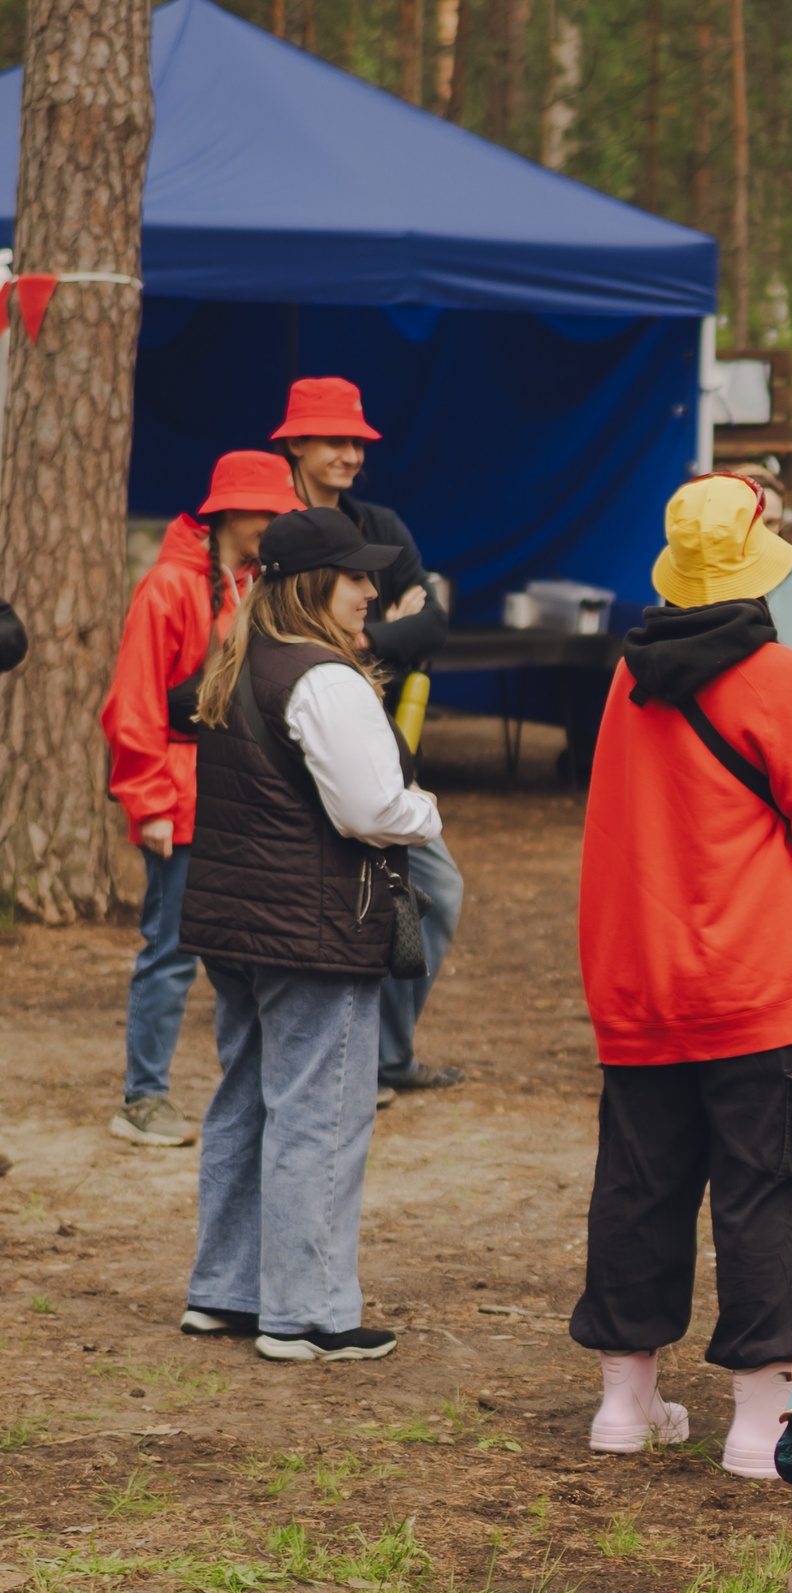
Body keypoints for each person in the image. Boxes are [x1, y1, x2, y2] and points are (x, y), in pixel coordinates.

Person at [569, 474, 792, 1477]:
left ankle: (624, 1402)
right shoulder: (785, 681)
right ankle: (758, 1421)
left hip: (640, 980)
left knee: (637, 1187)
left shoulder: (625, 681)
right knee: (765, 1191)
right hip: (757, 984)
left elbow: (613, 825)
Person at [174, 506, 438, 1362]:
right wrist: (426, 812)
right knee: (320, 1112)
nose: (371, 591)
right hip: (312, 926)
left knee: (246, 1099)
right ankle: (308, 1313)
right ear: (314, 583)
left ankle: (226, 1290)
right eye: (355, 575)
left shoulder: (240, 659)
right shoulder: (324, 679)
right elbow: (370, 809)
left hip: (239, 921)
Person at [271, 377, 465, 1103]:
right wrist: (383, 634)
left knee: (437, 891)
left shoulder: (380, 524)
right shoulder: (273, 525)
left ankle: (387, 1057)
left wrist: (362, 641)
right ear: (295, 442)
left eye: (358, 441)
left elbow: (435, 624)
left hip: (376, 750)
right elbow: (270, 637)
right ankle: (353, 1065)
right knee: (329, 910)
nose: (351, 453)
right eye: (335, 439)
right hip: (291, 751)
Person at [100, 451, 301, 1148]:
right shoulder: (167, 587)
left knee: (240, 952)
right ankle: (142, 1098)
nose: (278, 524)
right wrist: (150, 801)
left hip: (237, 797)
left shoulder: (257, 584)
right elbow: (133, 702)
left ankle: (249, 1088)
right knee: (170, 949)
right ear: (234, 513)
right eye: (270, 512)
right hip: (182, 800)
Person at [723, 461, 792, 675]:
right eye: (753, 520)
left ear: (782, 525)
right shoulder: (708, 582)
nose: (762, 532)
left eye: (771, 522)